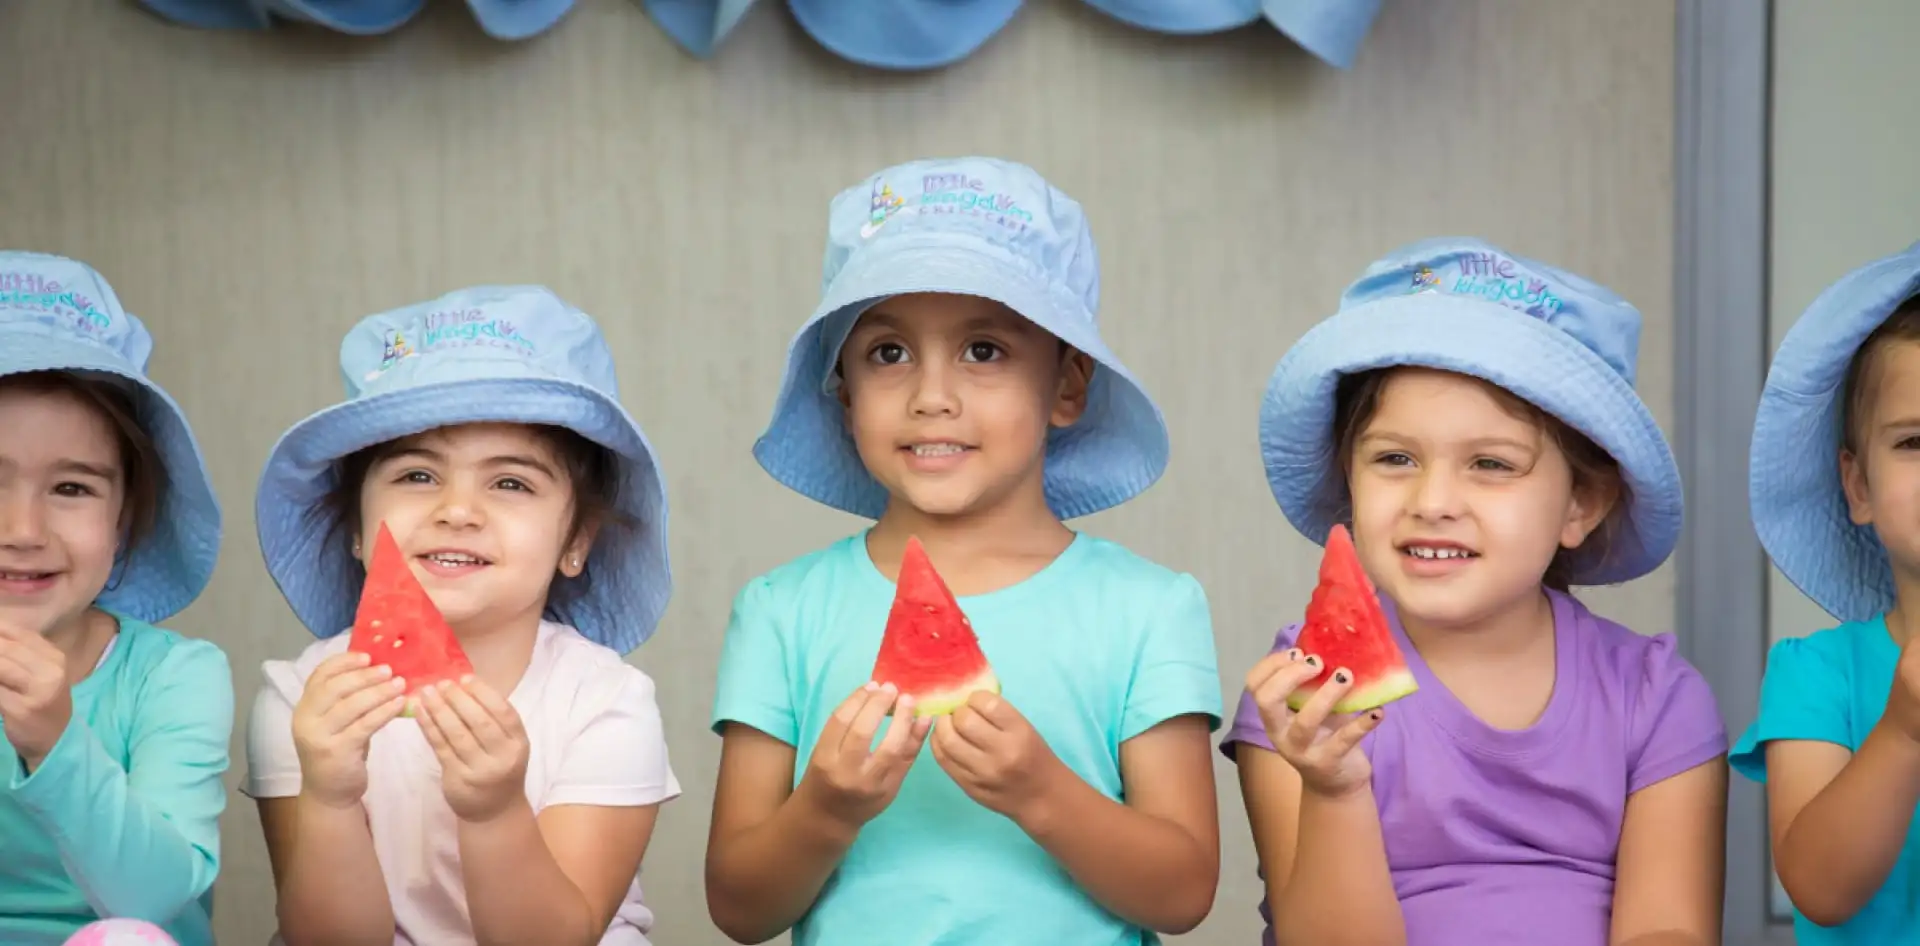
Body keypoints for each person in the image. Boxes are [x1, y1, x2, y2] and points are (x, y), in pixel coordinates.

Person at [704, 157, 1223, 945]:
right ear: (843, 393)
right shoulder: (780, 610)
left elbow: (1183, 894)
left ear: (1067, 387)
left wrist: (1042, 792)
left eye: (984, 351)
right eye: (888, 353)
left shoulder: (1151, 608)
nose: (931, 396)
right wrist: (826, 807)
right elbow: (739, 909)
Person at [1221, 238, 1728, 946]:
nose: (1433, 500)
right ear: (1349, 480)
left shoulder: (1655, 696)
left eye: (1491, 464)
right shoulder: (1306, 694)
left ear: (1582, 503)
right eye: (1395, 459)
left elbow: (1669, 930)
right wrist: (1333, 787)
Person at [241, 286, 679, 945]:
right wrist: (329, 798)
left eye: (511, 483)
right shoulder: (301, 700)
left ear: (576, 542)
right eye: (417, 476)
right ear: (356, 529)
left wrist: (495, 811)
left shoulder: (606, 702)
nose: (458, 510)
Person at [0, 251, 231, 946]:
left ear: (126, 516)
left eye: (72, 488)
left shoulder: (177, 676)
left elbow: (152, 898)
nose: (23, 531)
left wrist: (55, 742)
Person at [1731, 241, 1920, 942]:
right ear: (1859, 487)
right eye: (1916, 441)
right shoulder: (1816, 673)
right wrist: (1902, 730)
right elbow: (1819, 889)